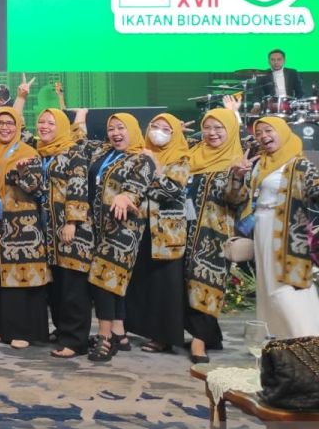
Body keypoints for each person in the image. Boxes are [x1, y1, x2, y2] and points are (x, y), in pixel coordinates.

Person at [86, 113, 156, 363]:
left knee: (104, 278)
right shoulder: (103, 153)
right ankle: (119, 332)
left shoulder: (143, 160)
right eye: (112, 128)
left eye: (121, 128)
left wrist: (125, 196)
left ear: (134, 130)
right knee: (112, 280)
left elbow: (137, 187)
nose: (116, 133)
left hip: (124, 227)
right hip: (97, 227)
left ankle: (104, 337)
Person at [181, 109, 250, 363]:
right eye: (207, 127)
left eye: (219, 128)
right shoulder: (193, 154)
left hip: (214, 237)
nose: (212, 133)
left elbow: (236, 200)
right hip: (184, 233)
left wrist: (237, 177)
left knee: (207, 284)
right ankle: (209, 336)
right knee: (182, 285)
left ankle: (199, 342)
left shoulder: (236, 161)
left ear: (230, 130)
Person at [244, 117, 319, 338]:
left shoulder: (299, 163)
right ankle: (276, 339)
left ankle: (304, 337)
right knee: (266, 284)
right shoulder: (261, 162)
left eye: (269, 130)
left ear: (283, 132)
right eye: (259, 133)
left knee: (286, 286)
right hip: (262, 227)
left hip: (287, 231)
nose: (263, 136)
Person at [0, 107, 48, 350]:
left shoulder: (29, 152)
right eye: (0, 123)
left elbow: (37, 190)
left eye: (10, 123)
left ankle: (23, 331)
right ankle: (1, 327)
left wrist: (22, 173)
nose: (5, 127)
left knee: (21, 278)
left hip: (22, 226)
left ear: (18, 126)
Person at [126, 113, 190, 355]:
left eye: (166, 129)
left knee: (166, 285)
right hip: (140, 228)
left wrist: (154, 164)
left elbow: (169, 190)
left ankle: (164, 337)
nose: (158, 132)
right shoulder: (139, 154)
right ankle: (143, 330)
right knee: (145, 282)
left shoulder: (181, 159)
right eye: (155, 126)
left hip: (167, 233)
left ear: (175, 134)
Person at [36, 108, 96, 359]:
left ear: (61, 126)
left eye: (51, 123)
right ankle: (62, 330)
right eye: (41, 122)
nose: (44, 126)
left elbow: (78, 186)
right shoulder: (41, 152)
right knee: (58, 285)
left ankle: (76, 340)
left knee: (73, 287)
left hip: (73, 229)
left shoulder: (74, 152)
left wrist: (72, 221)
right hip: (49, 230)